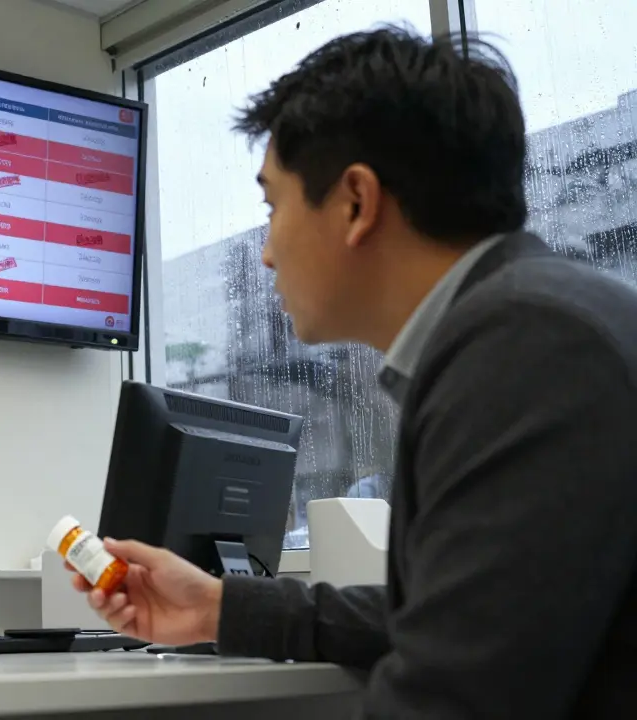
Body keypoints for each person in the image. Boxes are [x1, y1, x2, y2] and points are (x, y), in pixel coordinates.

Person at [72, 28, 637, 717]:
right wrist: (220, 607)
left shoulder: (528, 351)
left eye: (272, 209)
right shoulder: (528, 323)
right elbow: (440, 616)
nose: (267, 254)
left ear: (356, 204)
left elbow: (453, 695)